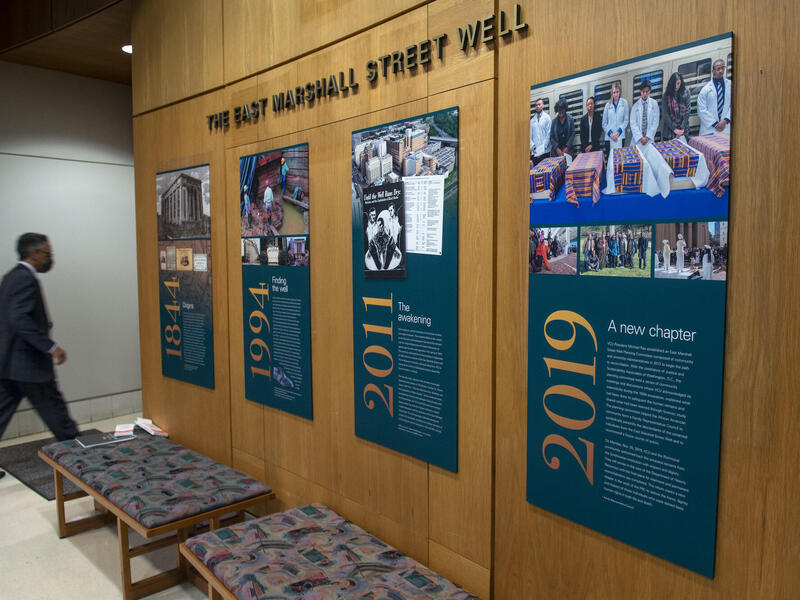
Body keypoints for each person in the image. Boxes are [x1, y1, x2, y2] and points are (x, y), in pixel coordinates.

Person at [0, 234, 79, 466]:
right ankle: (85, 458)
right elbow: (18, 319)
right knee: (57, 413)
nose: (49, 258)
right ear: (33, 253)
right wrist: (50, 347)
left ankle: (81, 453)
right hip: (29, 365)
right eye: (47, 253)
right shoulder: (24, 278)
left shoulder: (10, 277)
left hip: (9, 364)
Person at [697, 59, 731, 135]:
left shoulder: (730, 85)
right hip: (709, 129)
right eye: (718, 69)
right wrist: (715, 124)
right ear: (713, 71)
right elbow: (701, 110)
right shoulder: (705, 90)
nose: (721, 71)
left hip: (726, 128)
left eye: (722, 68)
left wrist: (725, 120)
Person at [661, 72, 691, 141]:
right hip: (669, 131)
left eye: (678, 83)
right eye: (674, 84)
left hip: (683, 130)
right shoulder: (666, 95)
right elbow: (665, 115)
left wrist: (681, 128)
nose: (676, 86)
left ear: (681, 83)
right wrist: (675, 129)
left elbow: (688, 111)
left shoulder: (686, 93)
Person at [630, 80, 660, 147]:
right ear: (640, 91)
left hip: (649, 139)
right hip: (638, 140)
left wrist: (647, 137)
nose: (645, 94)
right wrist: (640, 138)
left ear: (650, 91)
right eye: (643, 91)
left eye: (647, 91)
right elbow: (633, 123)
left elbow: (655, 122)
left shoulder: (654, 104)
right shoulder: (635, 106)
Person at [602, 81, 628, 153]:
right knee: (610, 157)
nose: (616, 94)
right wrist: (611, 134)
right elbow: (604, 123)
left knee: (620, 157)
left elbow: (626, 121)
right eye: (614, 92)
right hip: (609, 137)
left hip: (620, 136)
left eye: (617, 92)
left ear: (620, 92)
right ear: (612, 93)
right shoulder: (607, 105)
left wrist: (618, 132)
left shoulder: (624, 103)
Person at [529, 98, 552, 166]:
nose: (537, 106)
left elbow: (549, 134)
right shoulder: (532, 121)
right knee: (536, 171)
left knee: (546, 170)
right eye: (536, 105)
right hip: (535, 152)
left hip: (545, 152)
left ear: (543, 105)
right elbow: (529, 136)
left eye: (539, 104)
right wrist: (533, 148)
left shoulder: (547, 118)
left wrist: (542, 149)